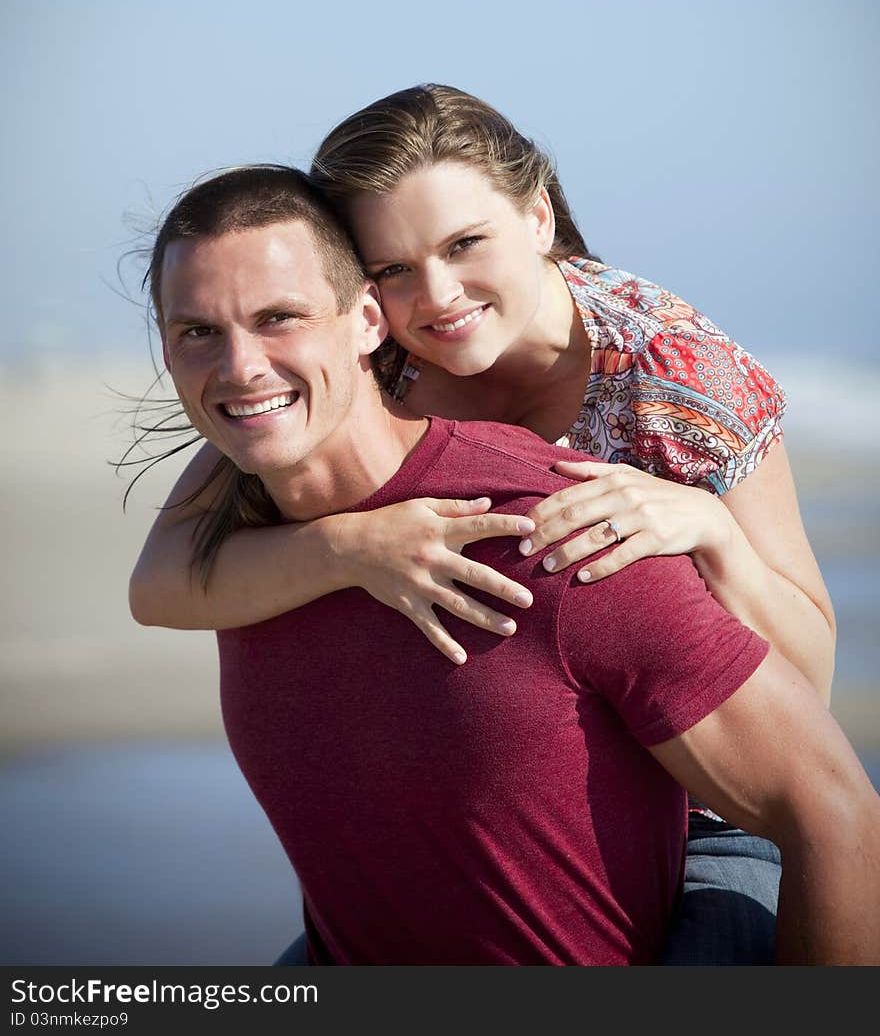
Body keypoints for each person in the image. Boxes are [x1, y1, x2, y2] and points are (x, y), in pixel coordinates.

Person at [130, 85, 836, 964]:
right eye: (392, 267)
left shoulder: (682, 379)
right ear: (360, 295)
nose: (436, 295)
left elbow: (809, 694)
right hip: (533, 804)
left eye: (465, 244)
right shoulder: (373, 357)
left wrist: (713, 534)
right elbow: (160, 582)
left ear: (538, 216)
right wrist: (354, 546)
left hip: (711, 820)